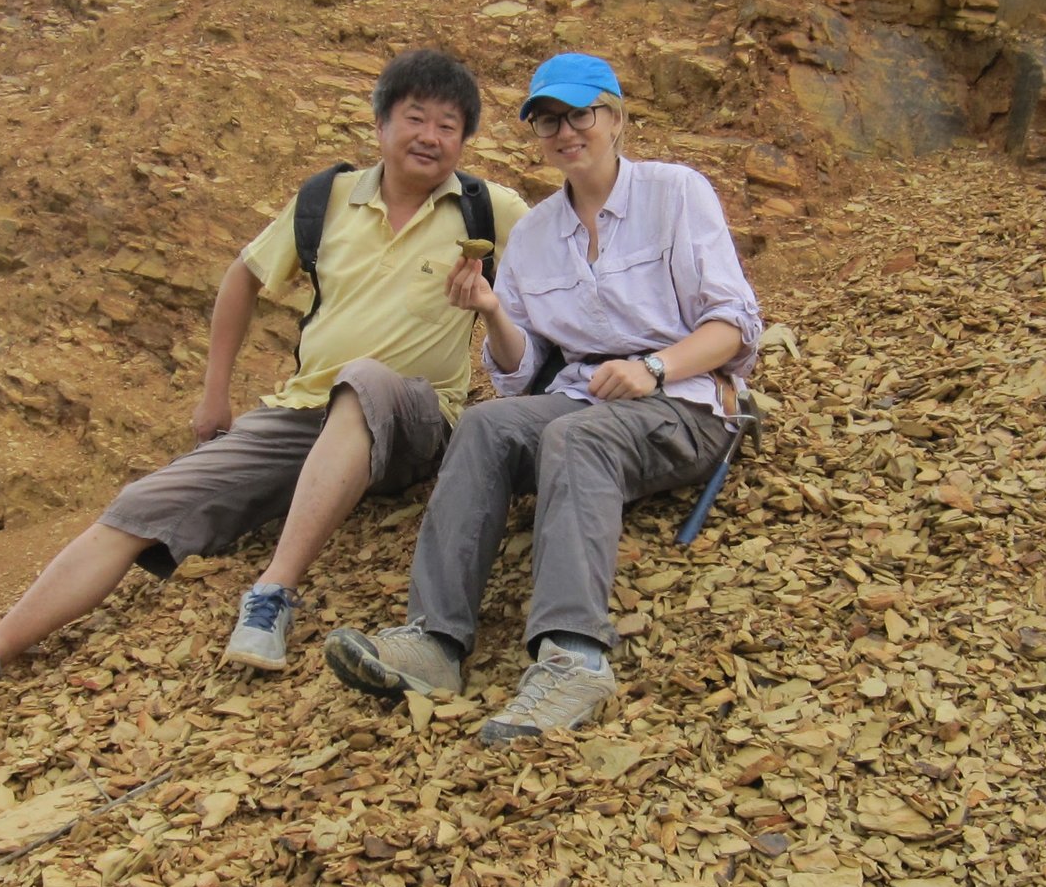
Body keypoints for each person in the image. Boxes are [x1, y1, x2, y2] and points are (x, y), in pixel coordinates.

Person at [0, 48, 528, 692]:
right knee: (143, 502)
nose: (431, 136)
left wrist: (496, 312)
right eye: (415, 117)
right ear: (381, 126)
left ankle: (273, 594)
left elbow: (542, 303)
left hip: (418, 420)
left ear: (466, 140)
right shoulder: (328, 199)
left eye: (449, 125)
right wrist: (214, 396)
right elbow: (243, 278)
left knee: (363, 380)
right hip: (305, 411)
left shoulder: (491, 210)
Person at [323, 52, 763, 743]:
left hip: (685, 403)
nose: (564, 131)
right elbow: (519, 376)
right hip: (581, 399)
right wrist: (494, 311)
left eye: (579, 113)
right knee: (488, 425)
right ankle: (435, 640)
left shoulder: (677, 193)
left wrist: (653, 365)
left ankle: (574, 656)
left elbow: (736, 323)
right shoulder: (532, 233)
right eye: (546, 120)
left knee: (574, 437)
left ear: (616, 117)